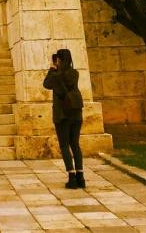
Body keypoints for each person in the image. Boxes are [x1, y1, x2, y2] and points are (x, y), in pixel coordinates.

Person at [44, 48, 85, 189]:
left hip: (62, 114)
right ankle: (81, 176)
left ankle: (72, 177)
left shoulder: (56, 75)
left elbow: (46, 84)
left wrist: (52, 68)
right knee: (75, 144)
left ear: (59, 60)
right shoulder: (75, 73)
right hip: (76, 112)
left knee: (64, 145)